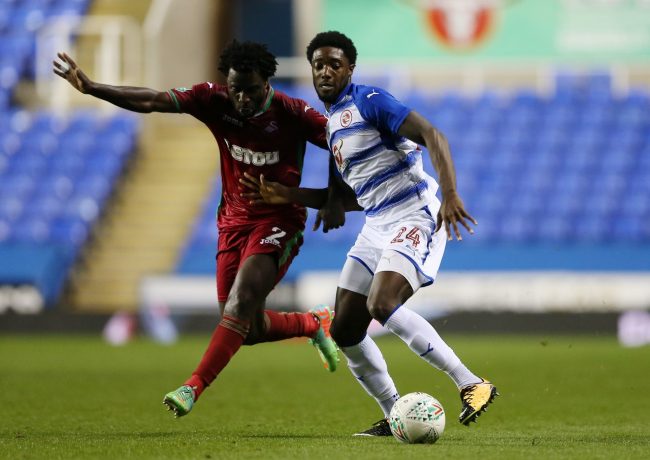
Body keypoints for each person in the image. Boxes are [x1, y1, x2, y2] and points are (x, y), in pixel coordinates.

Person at [52, 40, 342, 418]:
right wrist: (93, 88)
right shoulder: (213, 100)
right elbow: (153, 100)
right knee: (245, 327)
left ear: (267, 83)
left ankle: (192, 386)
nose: (242, 98)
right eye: (236, 89)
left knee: (238, 306)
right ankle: (312, 322)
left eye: (251, 90)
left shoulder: (291, 112)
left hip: (279, 221)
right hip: (232, 223)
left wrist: (333, 197)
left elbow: (342, 143)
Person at [241, 31, 498, 435]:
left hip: (414, 215)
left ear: (350, 69)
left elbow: (434, 135)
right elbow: (354, 197)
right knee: (344, 329)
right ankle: (394, 412)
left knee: (382, 303)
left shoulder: (370, 101)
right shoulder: (332, 127)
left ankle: (471, 383)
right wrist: (287, 195)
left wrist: (450, 195)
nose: (326, 72)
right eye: (318, 65)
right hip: (377, 224)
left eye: (334, 64)